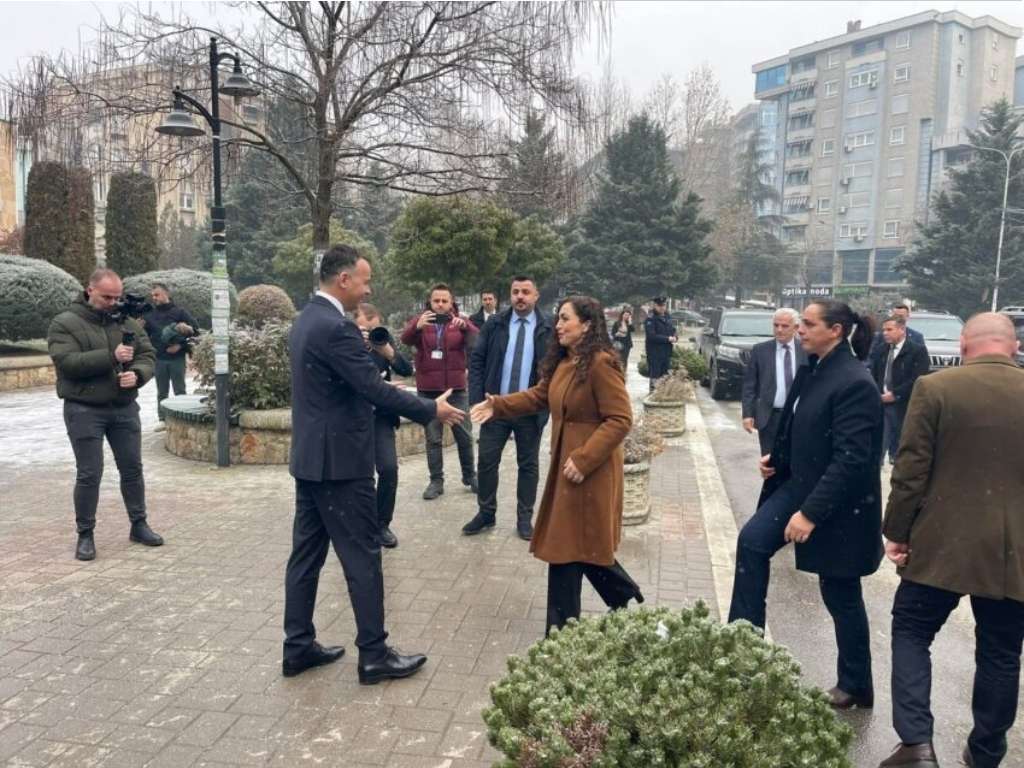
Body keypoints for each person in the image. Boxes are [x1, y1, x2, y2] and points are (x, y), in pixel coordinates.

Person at [283, 244, 466, 683]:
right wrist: (430, 408)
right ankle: (374, 655)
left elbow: (341, 387)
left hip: (311, 460)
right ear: (344, 279)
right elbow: (372, 388)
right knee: (363, 557)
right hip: (342, 465)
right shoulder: (337, 328)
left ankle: (297, 646)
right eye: (365, 281)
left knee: (305, 557)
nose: (368, 289)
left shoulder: (306, 319)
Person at [878, 313, 1024, 768]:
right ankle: (986, 752)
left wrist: (896, 532)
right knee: (1001, 651)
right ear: (1015, 347)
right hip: (1013, 554)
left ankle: (917, 744)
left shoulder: (936, 388)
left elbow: (910, 471)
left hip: (941, 541)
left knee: (911, 630)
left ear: (963, 345)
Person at [728, 300, 883, 711]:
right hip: (798, 485)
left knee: (840, 591)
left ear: (835, 331)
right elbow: (795, 426)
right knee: (751, 543)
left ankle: (856, 684)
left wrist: (810, 514)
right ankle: (741, 655)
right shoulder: (812, 367)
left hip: (840, 504)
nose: (800, 331)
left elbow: (851, 459)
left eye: (809, 325)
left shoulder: (854, 382)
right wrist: (775, 460)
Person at [471, 295, 644, 634]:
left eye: (566, 319)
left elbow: (620, 419)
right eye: (559, 318)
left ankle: (561, 631)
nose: (558, 325)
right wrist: (498, 405)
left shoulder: (600, 363)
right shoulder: (566, 362)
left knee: (568, 545)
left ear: (587, 324)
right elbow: (539, 395)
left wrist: (584, 459)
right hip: (568, 467)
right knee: (573, 544)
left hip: (590, 471)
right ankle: (618, 595)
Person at [47, 268, 163, 561]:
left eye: (116, 297)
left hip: (123, 407)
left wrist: (138, 374)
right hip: (84, 408)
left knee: (132, 468)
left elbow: (147, 354)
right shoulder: (64, 323)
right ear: (90, 291)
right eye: (106, 297)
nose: (113, 302)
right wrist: (111, 357)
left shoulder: (125, 321)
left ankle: (139, 525)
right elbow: (67, 363)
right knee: (90, 473)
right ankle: (85, 534)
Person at [465, 276, 552, 540]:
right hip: (495, 407)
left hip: (530, 410)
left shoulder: (548, 327)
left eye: (526, 292)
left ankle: (524, 519)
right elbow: (477, 361)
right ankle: (486, 513)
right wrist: (477, 400)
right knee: (486, 462)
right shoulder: (495, 324)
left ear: (536, 295)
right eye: (515, 292)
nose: (520, 297)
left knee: (528, 465)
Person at [401, 284, 478, 500]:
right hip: (429, 391)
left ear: (451, 302)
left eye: (445, 301)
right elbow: (405, 339)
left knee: (464, 436)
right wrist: (417, 327)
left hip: (456, 389)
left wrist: (466, 327)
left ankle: (470, 476)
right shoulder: (421, 321)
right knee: (433, 439)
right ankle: (436, 481)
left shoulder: (460, 321)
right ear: (430, 302)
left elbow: (477, 341)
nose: (441, 304)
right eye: (437, 301)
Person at [354, 302, 412, 550]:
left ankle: (382, 524)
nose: (371, 335)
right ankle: (359, 524)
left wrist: (388, 351)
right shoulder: (346, 343)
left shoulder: (382, 341)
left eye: (374, 329)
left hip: (381, 418)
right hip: (353, 418)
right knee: (358, 476)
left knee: (388, 469)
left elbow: (406, 370)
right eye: (365, 330)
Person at [741, 308, 807, 456]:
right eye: (776, 325)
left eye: (785, 326)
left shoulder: (806, 350)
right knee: (770, 462)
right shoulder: (760, 350)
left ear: (796, 327)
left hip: (799, 417)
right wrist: (747, 414)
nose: (779, 329)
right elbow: (750, 385)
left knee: (797, 461)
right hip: (770, 418)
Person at [869, 315, 930, 468]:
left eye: (889, 330)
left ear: (902, 330)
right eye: (883, 330)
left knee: (901, 446)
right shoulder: (880, 350)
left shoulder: (917, 351)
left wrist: (895, 394)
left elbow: (918, 378)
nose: (885, 333)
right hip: (881, 403)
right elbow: (873, 375)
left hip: (904, 405)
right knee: (878, 445)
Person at [142, 283, 197, 427]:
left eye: (157, 294)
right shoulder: (149, 316)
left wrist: (180, 345)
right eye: (152, 295)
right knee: (162, 392)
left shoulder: (180, 312)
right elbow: (143, 337)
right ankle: (163, 420)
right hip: (159, 359)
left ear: (166, 294)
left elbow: (195, 332)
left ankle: (183, 420)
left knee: (180, 390)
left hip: (177, 358)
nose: (154, 298)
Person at [644, 297, 676, 391]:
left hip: (666, 352)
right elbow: (651, 336)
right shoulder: (650, 319)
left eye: (664, 305)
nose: (662, 307)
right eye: (659, 305)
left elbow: (673, 330)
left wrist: (675, 337)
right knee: (655, 377)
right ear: (655, 305)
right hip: (655, 353)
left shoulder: (668, 317)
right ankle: (653, 395)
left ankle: (662, 395)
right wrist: (668, 339)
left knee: (665, 376)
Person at [610, 307, 634, 373]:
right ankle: (618, 371)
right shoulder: (616, 323)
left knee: (625, 359)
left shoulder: (629, 323)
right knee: (618, 358)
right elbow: (612, 333)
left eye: (628, 315)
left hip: (627, 344)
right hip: (619, 343)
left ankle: (624, 372)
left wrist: (630, 322)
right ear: (622, 315)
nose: (626, 316)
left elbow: (633, 330)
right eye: (625, 314)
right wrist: (617, 334)